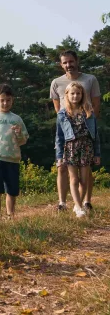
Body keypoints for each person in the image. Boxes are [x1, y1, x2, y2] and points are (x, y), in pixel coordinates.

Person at [50, 50, 101, 212]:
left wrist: (89, 123)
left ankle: (86, 201)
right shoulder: (56, 83)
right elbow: (58, 109)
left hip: (84, 131)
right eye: (65, 62)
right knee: (62, 168)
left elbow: (95, 105)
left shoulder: (90, 79)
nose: (68, 65)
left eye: (71, 61)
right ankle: (63, 203)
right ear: (61, 64)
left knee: (85, 172)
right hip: (67, 134)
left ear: (76, 61)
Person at [0, 84, 29, 220]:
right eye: (2, 100)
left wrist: (19, 134)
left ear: (12, 100)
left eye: (8, 100)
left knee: (12, 190)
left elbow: (24, 140)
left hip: (13, 158)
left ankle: (10, 215)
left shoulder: (17, 119)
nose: (5, 103)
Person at [55, 82, 100, 218]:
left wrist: (97, 153)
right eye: (72, 93)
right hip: (70, 148)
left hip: (86, 147)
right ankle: (79, 207)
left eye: (78, 93)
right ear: (67, 95)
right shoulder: (62, 114)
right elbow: (59, 137)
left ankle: (77, 204)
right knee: (74, 179)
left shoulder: (88, 111)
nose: (75, 96)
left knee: (84, 180)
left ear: (82, 95)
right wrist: (59, 156)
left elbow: (95, 134)